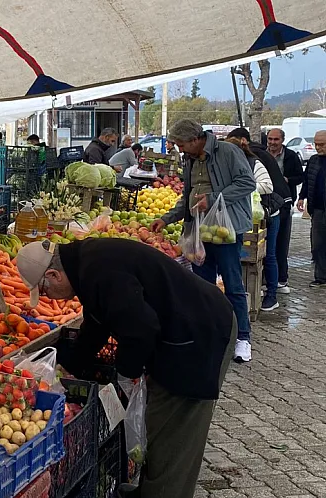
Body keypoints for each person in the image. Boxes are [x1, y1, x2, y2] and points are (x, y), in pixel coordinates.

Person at [16, 238, 236, 498]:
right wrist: (67, 367)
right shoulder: (86, 264)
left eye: (44, 290)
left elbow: (141, 330)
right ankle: (149, 490)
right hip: (183, 331)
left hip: (199, 337)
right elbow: (97, 324)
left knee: (174, 437)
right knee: (158, 426)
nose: (47, 297)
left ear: (54, 275)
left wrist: (126, 373)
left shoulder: (98, 271)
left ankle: (163, 492)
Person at [151, 119, 255, 362]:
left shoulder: (227, 151)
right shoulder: (189, 159)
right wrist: (166, 219)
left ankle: (243, 338)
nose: (179, 149)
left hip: (226, 230)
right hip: (199, 231)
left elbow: (247, 182)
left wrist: (214, 198)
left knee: (232, 283)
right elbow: (187, 195)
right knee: (202, 287)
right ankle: (209, 335)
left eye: (181, 144)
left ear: (196, 139)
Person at [225, 132, 288, 312]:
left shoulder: (254, 163)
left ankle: (272, 295)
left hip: (268, 215)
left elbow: (268, 186)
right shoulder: (227, 166)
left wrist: (243, 187)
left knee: (269, 255)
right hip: (245, 216)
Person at [267, 128, 305, 292]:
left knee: (281, 241)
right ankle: (267, 278)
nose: (272, 143)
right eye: (270, 139)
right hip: (266, 202)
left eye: (276, 139)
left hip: (284, 202)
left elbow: (300, 177)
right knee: (268, 243)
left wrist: (287, 180)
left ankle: (282, 278)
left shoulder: (290, 156)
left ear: (282, 140)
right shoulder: (263, 154)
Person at [297, 130, 326, 287]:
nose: (318, 147)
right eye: (316, 144)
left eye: (322, 144)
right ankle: (321, 277)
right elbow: (307, 180)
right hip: (318, 209)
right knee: (317, 245)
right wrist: (301, 197)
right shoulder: (314, 160)